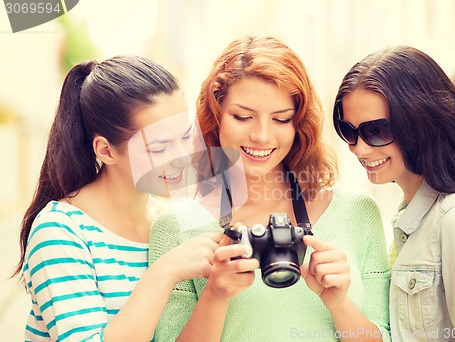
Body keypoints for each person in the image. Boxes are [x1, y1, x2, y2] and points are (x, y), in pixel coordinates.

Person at [149, 35, 391, 341]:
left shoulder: (356, 210)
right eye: (243, 117)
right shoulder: (177, 227)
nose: (262, 136)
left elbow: (385, 335)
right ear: (215, 117)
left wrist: (340, 304)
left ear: (299, 123)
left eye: (281, 119)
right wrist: (215, 295)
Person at [15, 55, 222, 341]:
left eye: (185, 137)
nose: (181, 158)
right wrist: (165, 272)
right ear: (106, 151)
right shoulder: (60, 230)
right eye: (160, 148)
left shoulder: (171, 222)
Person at [333, 46, 455, 341]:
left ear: (420, 123)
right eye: (349, 131)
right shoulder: (408, 219)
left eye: (377, 130)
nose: (359, 148)